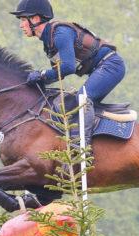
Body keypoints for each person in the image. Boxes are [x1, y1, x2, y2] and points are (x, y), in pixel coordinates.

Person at [11, 0, 126, 151]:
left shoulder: (60, 33)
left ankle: (81, 147)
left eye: (23, 20)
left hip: (111, 65)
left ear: (35, 19)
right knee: (68, 102)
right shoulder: (48, 42)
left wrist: (42, 74)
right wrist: (37, 82)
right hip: (102, 68)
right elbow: (59, 73)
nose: (21, 25)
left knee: (82, 99)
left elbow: (68, 67)